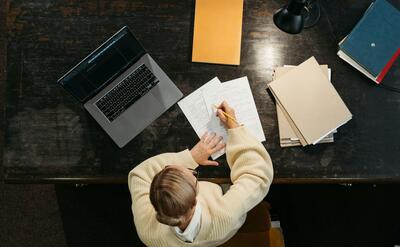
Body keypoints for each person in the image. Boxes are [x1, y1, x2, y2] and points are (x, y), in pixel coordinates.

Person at [128, 101, 273, 247]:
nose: (188, 168)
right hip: (223, 231)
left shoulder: (147, 232)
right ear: (196, 199)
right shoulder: (225, 214)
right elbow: (257, 174)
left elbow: (139, 175)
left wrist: (190, 158)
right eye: (192, 174)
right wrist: (234, 127)